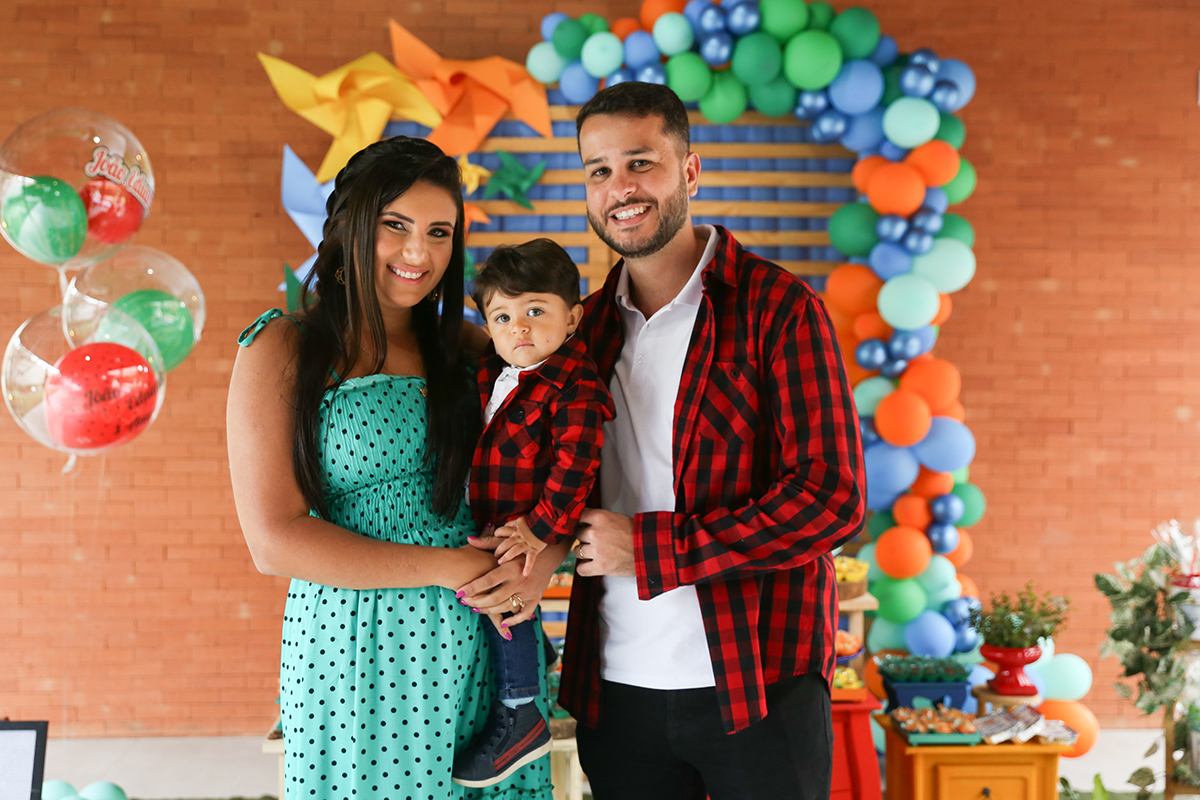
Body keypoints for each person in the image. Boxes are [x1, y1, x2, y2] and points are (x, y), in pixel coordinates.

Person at [563, 82, 866, 799]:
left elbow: (832, 500)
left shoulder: (779, 309)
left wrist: (651, 547)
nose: (620, 188)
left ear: (690, 171)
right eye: (599, 170)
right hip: (616, 688)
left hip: (760, 683)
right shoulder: (584, 332)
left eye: (641, 162)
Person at [226, 136, 552, 800]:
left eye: (439, 232)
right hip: (357, 654)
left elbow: (570, 461)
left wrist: (541, 562)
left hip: (486, 651)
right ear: (349, 225)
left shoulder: (472, 349)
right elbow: (273, 539)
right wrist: (450, 567)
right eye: (394, 226)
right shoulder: (285, 347)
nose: (419, 253)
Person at [452, 239, 614, 788]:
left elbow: (576, 467)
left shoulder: (573, 384)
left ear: (572, 319)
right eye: (502, 316)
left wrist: (539, 531)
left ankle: (521, 713)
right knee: (495, 603)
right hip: (491, 517)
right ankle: (537, 654)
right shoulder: (494, 373)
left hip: (524, 527)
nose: (518, 327)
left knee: (506, 606)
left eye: (535, 312)